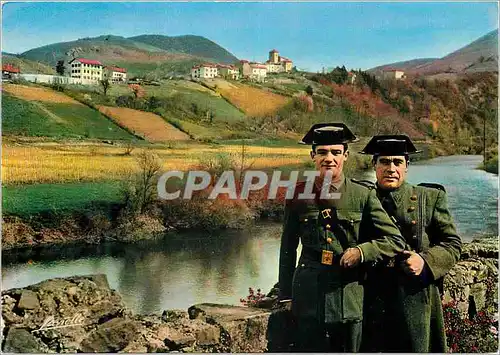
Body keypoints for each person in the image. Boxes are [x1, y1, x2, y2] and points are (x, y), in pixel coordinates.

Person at [277, 123, 406, 352]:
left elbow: (395, 239)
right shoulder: (297, 194)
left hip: (348, 297)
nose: (329, 158)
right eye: (322, 152)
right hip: (308, 298)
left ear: (345, 156)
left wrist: (362, 252)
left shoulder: (361, 195)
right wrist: (286, 295)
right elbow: (287, 249)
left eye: (336, 152)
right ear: (312, 156)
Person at [359, 135, 462, 352]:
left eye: (397, 162)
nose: (391, 168)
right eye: (384, 162)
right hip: (371, 300)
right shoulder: (360, 199)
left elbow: (452, 244)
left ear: (407, 166)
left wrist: (425, 261)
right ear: (374, 165)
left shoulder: (429, 198)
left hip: (415, 299)